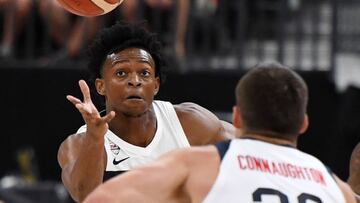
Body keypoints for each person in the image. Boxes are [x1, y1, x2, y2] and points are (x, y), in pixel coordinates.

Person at [83, 62, 356, 203]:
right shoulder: (336, 187)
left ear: (236, 118)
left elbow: (100, 198)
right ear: (303, 124)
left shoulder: (202, 163)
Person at [57, 21, 236, 202]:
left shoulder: (189, 122)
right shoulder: (78, 143)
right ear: (101, 86)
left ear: (156, 85)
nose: (135, 81)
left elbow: (250, 145)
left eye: (144, 73)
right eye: (121, 73)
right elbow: (85, 196)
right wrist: (94, 139)